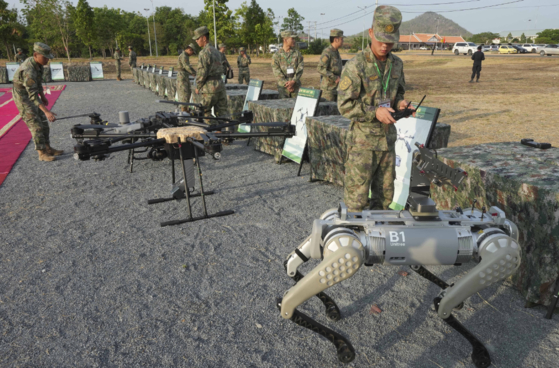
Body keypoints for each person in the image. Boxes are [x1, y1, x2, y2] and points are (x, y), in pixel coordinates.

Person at [338, 5, 414, 212]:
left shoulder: (397, 64)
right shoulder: (356, 66)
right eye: (381, 40)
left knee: (384, 200)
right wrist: (374, 112)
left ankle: (379, 240)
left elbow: (397, 94)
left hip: (387, 142)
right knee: (357, 201)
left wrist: (401, 104)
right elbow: (344, 105)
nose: (385, 46)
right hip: (363, 145)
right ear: (371, 33)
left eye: (390, 42)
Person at [12, 42, 60, 162]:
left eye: (48, 58)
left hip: (31, 92)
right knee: (36, 124)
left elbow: (38, 83)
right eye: (45, 57)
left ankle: (48, 148)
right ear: (35, 55)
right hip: (22, 95)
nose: (47, 60)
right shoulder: (29, 70)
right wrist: (47, 111)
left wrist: (43, 96)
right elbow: (32, 96)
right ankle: (42, 153)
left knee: (43, 122)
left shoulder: (38, 65)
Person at [193, 26, 228, 123]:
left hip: (209, 87)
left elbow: (202, 72)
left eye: (197, 38)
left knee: (204, 112)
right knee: (222, 114)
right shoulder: (216, 51)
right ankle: (226, 134)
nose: (196, 41)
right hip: (220, 85)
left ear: (204, 38)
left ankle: (213, 132)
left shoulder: (204, 52)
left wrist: (198, 86)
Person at [272, 31, 304, 98]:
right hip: (283, 89)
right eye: (292, 39)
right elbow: (276, 72)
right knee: (283, 107)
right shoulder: (276, 55)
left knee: (297, 107)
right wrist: (286, 84)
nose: (294, 41)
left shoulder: (297, 54)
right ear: (285, 40)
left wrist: (293, 81)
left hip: (296, 87)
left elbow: (300, 68)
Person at [317, 29, 344, 101]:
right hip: (328, 90)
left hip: (336, 88)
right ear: (336, 39)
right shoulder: (328, 52)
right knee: (328, 110)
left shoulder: (335, 52)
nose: (343, 41)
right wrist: (335, 78)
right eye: (341, 39)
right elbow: (320, 68)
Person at [177, 43, 197, 112]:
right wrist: (194, 73)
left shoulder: (185, 56)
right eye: (192, 52)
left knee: (188, 92)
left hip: (184, 76)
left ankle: (186, 110)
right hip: (182, 77)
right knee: (184, 94)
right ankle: (184, 111)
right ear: (189, 49)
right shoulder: (184, 56)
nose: (192, 54)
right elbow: (186, 66)